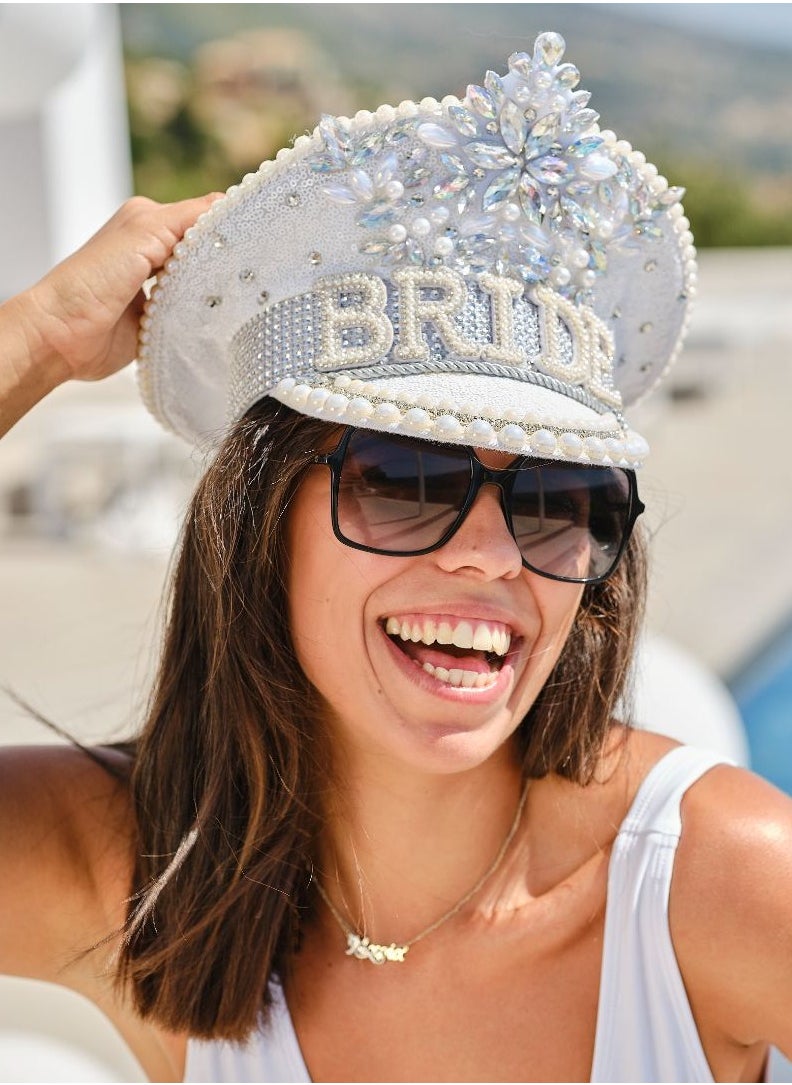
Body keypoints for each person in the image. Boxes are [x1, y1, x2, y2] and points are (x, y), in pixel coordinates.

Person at [1, 31, 791, 1084]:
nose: (488, 556)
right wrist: (39, 337)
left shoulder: (720, 879)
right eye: (407, 479)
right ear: (257, 520)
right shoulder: (143, 874)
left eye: (557, 499)